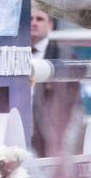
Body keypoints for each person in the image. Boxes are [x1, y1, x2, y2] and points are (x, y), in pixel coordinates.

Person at [28, 9, 86, 157]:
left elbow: (73, 105)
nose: (34, 23)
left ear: (51, 25)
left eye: (40, 19)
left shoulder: (66, 57)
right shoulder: (10, 53)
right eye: (30, 19)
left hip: (51, 139)